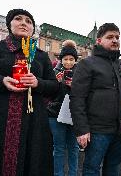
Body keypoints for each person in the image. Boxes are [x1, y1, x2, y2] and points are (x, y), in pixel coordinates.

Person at [0, 9, 60, 176]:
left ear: (33, 29)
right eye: (18, 19)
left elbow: (55, 88)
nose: (23, 23)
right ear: (9, 25)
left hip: (32, 122)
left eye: (28, 21)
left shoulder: (40, 56)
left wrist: (38, 83)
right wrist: (0, 81)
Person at [70, 23, 121, 176]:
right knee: (92, 169)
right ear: (99, 41)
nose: (115, 40)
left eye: (117, 37)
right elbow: (77, 98)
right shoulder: (87, 64)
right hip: (97, 130)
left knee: (113, 168)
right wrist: (82, 129)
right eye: (110, 37)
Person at [47, 40, 79, 176]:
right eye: (65, 59)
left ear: (75, 60)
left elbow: (86, 94)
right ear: (61, 59)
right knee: (58, 148)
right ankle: (58, 174)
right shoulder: (53, 72)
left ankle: (73, 173)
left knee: (74, 147)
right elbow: (48, 94)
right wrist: (57, 83)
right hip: (55, 114)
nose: (68, 62)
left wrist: (75, 87)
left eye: (71, 59)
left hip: (74, 115)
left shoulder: (81, 73)